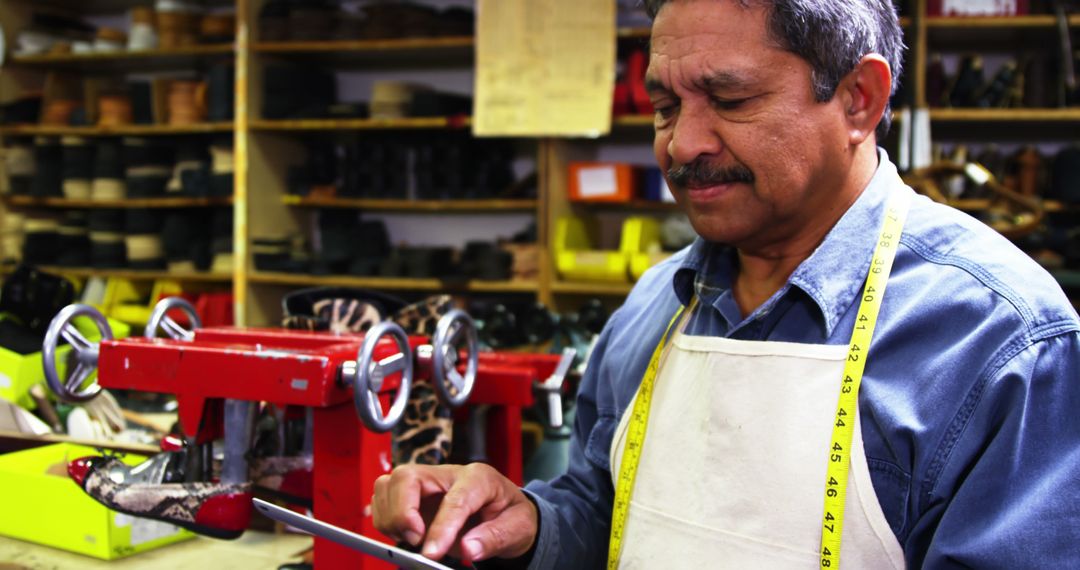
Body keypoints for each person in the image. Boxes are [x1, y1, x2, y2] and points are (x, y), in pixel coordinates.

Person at [372, 0, 1080, 567]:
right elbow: (604, 511)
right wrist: (527, 524)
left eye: (730, 99)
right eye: (664, 107)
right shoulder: (655, 306)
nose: (682, 145)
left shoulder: (1000, 340)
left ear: (859, 100)